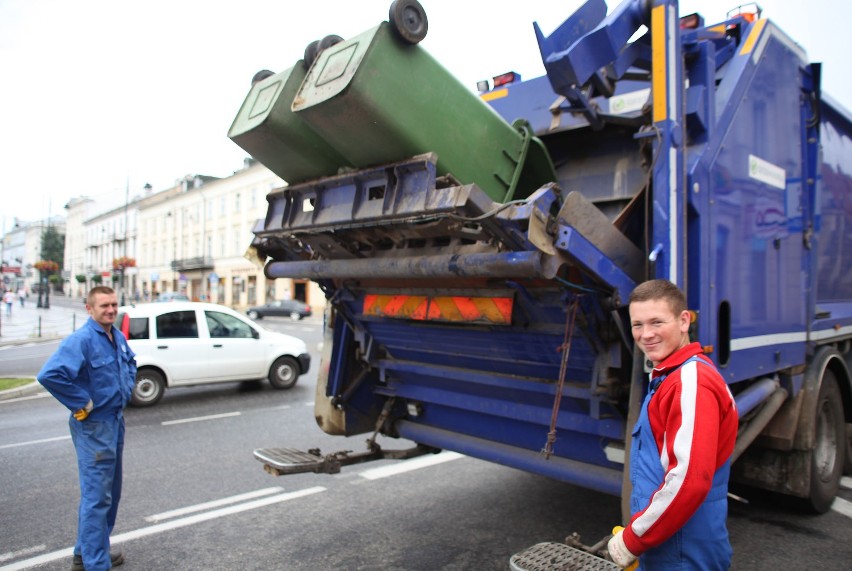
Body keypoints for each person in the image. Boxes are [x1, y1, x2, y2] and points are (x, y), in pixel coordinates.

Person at [608, 279, 738, 570]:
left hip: (683, 552)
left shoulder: (691, 383)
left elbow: (688, 483)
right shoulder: (670, 375)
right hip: (669, 543)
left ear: (683, 320)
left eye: (656, 322)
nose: (646, 334)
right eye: (637, 325)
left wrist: (632, 540)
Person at [37, 286, 137, 571]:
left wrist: (126, 389)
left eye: (114, 305)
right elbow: (50, 375)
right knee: (97, 498)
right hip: (94, 426)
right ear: (89, 308)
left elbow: (130, 363)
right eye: (104, 305)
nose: (111, 310)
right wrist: (83, 402)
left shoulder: (115, 336)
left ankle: (88, 552)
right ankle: (95, 564)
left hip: (115, 422)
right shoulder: (81, 340)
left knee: (110, 493)